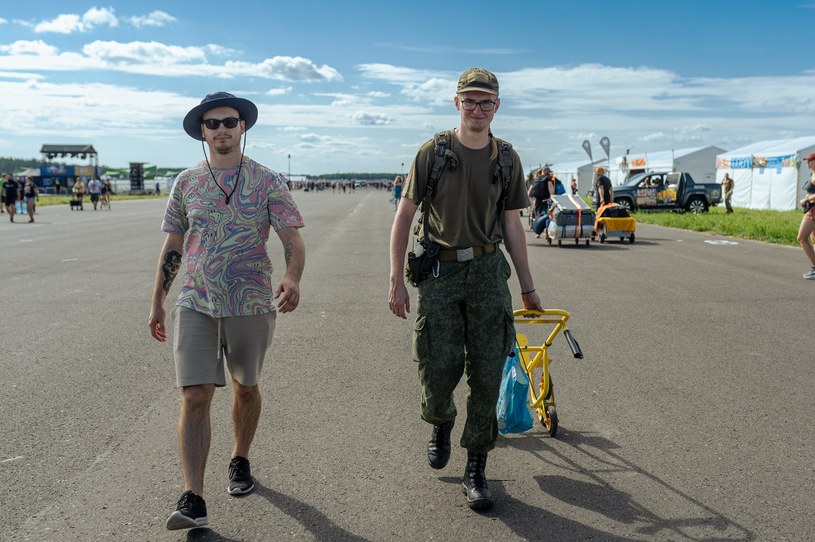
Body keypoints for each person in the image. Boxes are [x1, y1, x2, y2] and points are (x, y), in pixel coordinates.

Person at [148, 91, 305, 531]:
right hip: (195, 300)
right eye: (212, 122)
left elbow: (291, 237)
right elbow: (174, 245)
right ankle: (194, 497)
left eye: (229, 121)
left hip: (251, 300)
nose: (221, 129)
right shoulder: (186, 182)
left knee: (245, 386)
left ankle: (240, 458)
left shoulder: (267, 180)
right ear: (201, 130)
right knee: (195, 394)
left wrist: (292, 277)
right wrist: (158, 300)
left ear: (243, 128)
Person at [388, 68, 543, 511]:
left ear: (497, 107)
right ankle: (439, 421)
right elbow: (404, 215)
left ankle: (476, 466)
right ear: (457, 103)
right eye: (470, 101)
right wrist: (395, 278)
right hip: (440, 272)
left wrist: (528, 287)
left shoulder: (507, 159)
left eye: (486, 102)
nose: (477, 109)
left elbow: (513, 224)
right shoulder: (433, 152)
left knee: (488, 369)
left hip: (489, 272)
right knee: (437, 367)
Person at [798, 152, 815, 279]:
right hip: (811, 209)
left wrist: (807, 200)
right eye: (807, 161)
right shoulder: (813, 174)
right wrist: (805, 197)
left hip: (813, 211)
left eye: (809, 161)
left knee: (801, 238)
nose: (807, 163)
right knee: (813, 239)